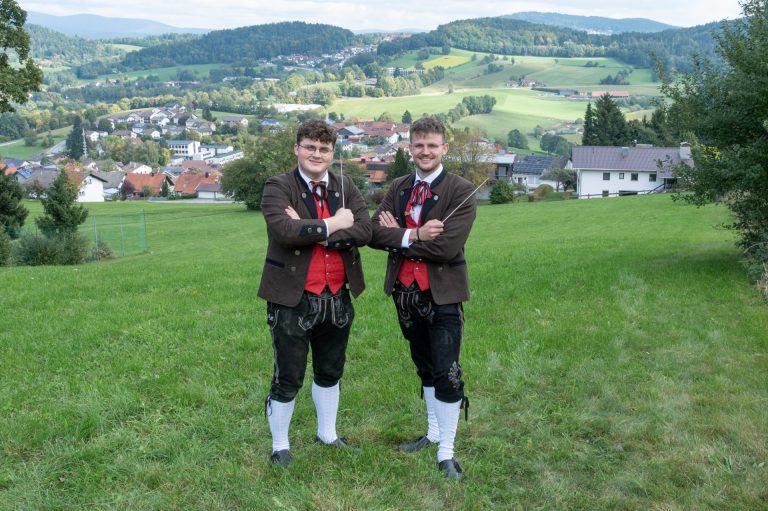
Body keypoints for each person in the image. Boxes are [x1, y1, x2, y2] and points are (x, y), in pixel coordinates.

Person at [258, 119, 372, 467]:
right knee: (288, 376)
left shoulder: (345, 185)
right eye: (310, 147)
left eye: (324, 149)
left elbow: (365, 230)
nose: (316, 154)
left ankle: (328, 434)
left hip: (338, 296)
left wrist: (316, 233)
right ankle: (280, 446)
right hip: (292, 297)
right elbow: (284, 230)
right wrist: (335, 223)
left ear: (332, 153)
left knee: (330, 370)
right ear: (297, 149)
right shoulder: (278, 186)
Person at [370, 117, 477, 480]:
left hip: (443, 294)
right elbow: (373, 233)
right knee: (424, 367)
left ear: (444, 148)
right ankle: (432, 433)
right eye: (419, 145)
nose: (425, 151)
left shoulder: (461, 190)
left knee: (447, 371)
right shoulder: (399, 186)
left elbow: (446, 248)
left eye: (432, 145)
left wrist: (398, 236)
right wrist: (415, 235)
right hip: (404, 294)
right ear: (410, 148)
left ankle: (446, 452)